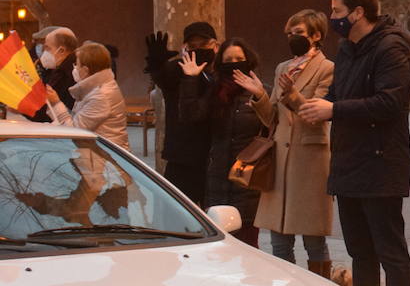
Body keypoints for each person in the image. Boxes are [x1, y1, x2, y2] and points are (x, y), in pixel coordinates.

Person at [299, 0, 410, 286]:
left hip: (382, 164)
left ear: (358, 12)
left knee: (390, 251)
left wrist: (334, 110)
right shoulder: (348, 49)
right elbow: (338, 96)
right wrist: (310, 104)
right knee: (360, 253)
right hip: (349, 163)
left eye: (337, 12)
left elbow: (389, 103)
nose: (333, 19)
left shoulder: (390, 47)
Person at [245, 9, 335, 275]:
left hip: (310, 162)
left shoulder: (327, 69)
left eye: (299, 33)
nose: (293, 38)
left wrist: (293, 94)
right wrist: (260, 95)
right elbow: (271, 117)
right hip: (280, 160)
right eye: (290, 34)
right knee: (279, 240)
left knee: (313, 239)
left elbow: (317, 113)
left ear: (316, 35)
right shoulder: (283, 67)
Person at [180, 38, 266, 250]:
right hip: (217, 177)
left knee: (248, 243)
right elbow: (191, 117)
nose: (234, 63)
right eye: (228, 60)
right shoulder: (214, 93)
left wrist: (261, 95)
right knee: (220, 244)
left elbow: (272, 123)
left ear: (249, 61)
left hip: (248, 179)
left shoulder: (260, 91)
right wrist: (190, 80)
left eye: (239, 59)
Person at [146, 22, 218, 205]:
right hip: (183, 158)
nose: (199, 50)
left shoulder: (219, 73)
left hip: (215, 158)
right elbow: (163, 76)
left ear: (215, 46)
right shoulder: (178, 69)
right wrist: (157, 64)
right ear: (184, 48)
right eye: (193, 46)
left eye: (204, 45)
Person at [46, 41, 129, 147]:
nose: (75, 68)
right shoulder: (93, 89)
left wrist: (56, 103)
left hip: (104, 157)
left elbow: (75, 131)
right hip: (97, 154)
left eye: (77, 64)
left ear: (85, 70)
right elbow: (76, 119)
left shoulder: (100, 96)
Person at [28, 26, 79, 123]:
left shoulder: (72, 75)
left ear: (61, 50)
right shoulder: (56, 71)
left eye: (47, 48)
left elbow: (47, 113)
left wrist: (24, 110)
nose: (44, 53)